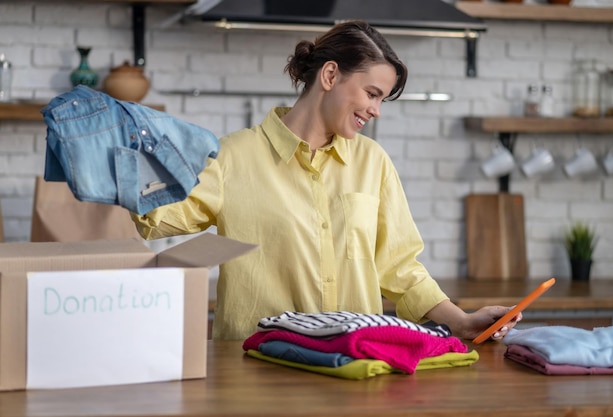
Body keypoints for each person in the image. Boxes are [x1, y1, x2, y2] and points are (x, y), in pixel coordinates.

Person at [131, 20, 521, 341]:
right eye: (372, 94)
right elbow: (154, 218)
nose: (376, 111)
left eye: (381, 99)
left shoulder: (374, 162)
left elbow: (400, 267)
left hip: (356, 363)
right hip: (255, 370)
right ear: (331, 75)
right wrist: (137, 156)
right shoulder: (234, 156)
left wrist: (462, 321)